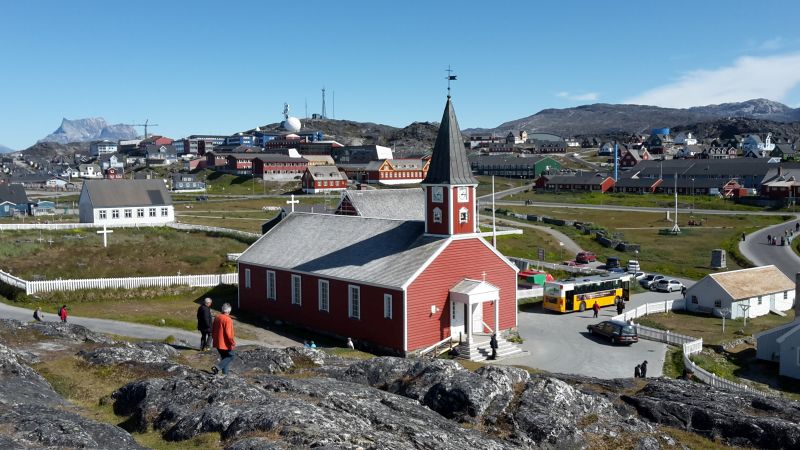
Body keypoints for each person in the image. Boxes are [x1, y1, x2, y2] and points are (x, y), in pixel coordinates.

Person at [211, 303, 236, 376]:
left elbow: (213, 329)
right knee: (231, 356)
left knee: (224, 357)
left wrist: (214, 338)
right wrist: (232, 342)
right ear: (229, 311)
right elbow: (229, 334)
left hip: (217, 341)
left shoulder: (217, 317)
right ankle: (217, 367)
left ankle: (225, 374)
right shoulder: (228, 320)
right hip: (225, 343)